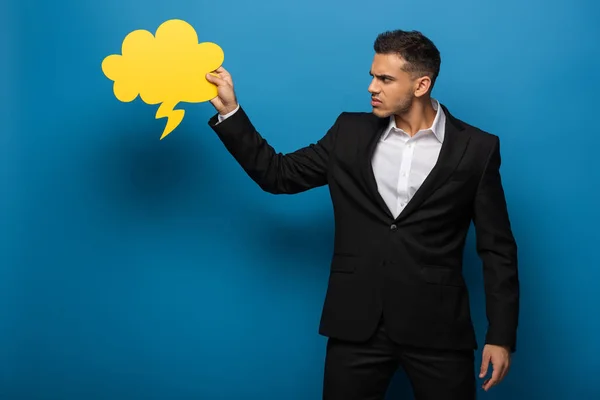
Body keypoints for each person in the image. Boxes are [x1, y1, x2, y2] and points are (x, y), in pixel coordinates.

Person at [204, 29, 519, 400]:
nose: (372, 87)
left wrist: (501, 336)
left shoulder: (477, 148)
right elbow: (278, 175)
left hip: (437, 328)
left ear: (421, 84)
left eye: (385, 79)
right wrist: (230, 111)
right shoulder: (348, 133)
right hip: (356, 325)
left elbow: (497, 249)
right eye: (372, 75)